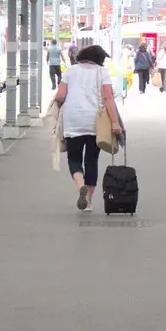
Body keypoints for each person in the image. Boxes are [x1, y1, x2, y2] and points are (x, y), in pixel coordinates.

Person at [52, 44, 122, 211]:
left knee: (74, 159)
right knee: (91, 160)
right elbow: (108, 98)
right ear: (99, 59)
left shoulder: (71, 70)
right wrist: (114, 122)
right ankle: (88, 202)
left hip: (73, 119)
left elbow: (60, 95)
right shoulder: (102, 72)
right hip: (94, 121)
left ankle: (80, 184)